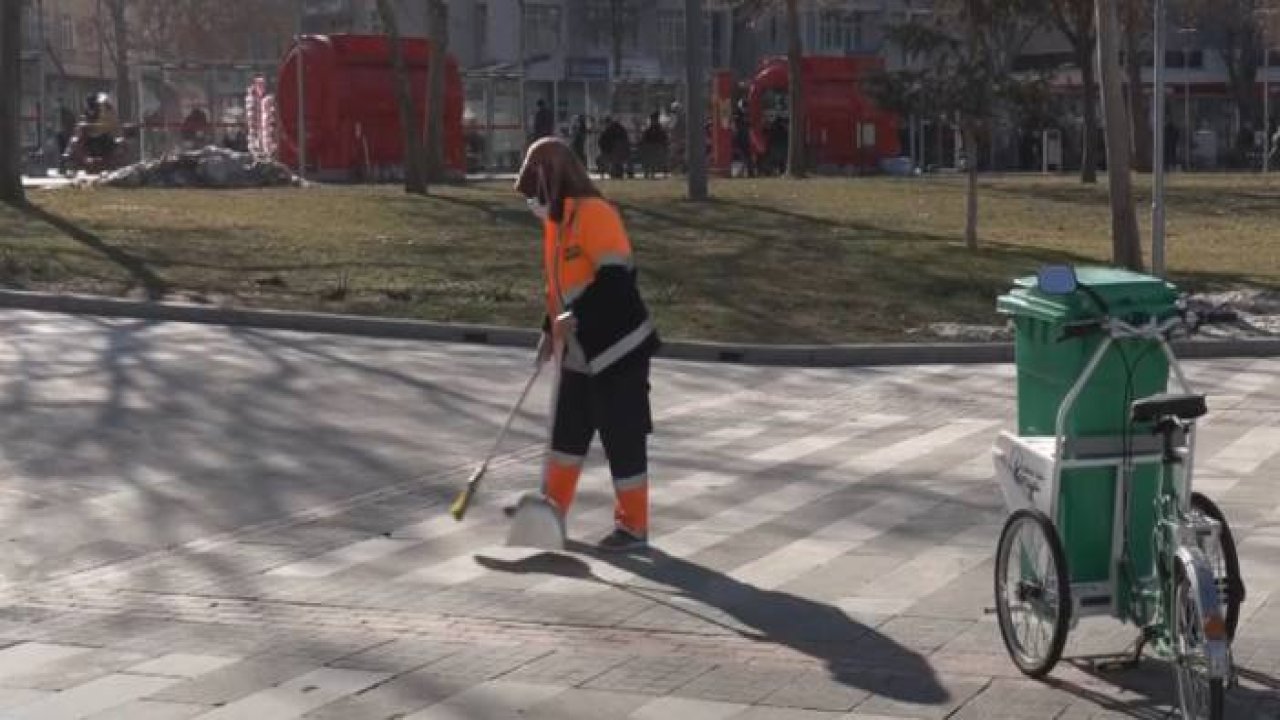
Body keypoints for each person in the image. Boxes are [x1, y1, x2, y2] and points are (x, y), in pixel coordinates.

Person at [513, 137, 660, 552]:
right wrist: (549, 329)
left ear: (553, 180)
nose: (533, 202)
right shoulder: (555, 224)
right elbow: (561, 287)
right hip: (579, 350)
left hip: (619, 350)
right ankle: (550, 514)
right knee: (566, 436)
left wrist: (572, 318)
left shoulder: (596, 214)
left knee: (622, 437)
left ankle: (633, 527)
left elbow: (616, 280)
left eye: (536, 192)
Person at [640, 112, 668, 179]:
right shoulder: (649, 130)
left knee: (658, 157)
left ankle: (662, 172)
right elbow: (644, 139)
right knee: (648, 157)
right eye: (652, 120)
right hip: (650, 148)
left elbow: (664, 139)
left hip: (658, 148)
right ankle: (647, 173)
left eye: (654, 120)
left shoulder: (660, 130)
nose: (653, 121)